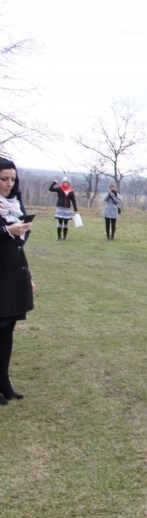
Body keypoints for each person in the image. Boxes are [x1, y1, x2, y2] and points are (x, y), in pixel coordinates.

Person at [0, 158, 34, 404]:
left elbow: (17, 243)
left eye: (12, 179)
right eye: (4, 179)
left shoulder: (14, 203)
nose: (9, 183)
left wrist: (23, 230)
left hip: (14, 272)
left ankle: (4, 382)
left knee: (7, 330)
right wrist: (6, 231)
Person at [49, 176, 78, 241]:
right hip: (60, 207)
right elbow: (50, 189)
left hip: (67, 208)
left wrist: (75, 208)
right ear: (63, 183)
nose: (66, 184)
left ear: (69, 184)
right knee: (60, 222)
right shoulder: (60, 189)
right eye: (65, 182)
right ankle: (59, 237)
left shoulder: (70, 191)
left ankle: (64, 237)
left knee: (66, 223)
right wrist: (54, 182)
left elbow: (73, 200)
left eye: (67, 183)